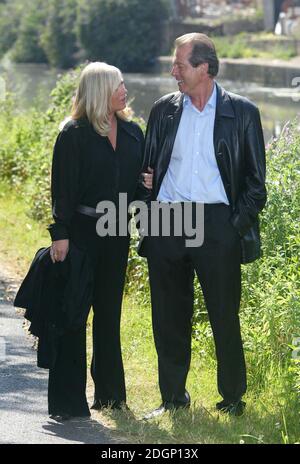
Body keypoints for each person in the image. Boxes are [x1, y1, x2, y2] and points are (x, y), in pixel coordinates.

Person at [140, 33, 267, 419]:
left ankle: (232, 399)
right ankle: (172, 398)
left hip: (217, 224)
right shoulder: (163, 110)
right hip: (166, 220)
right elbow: (146, 172)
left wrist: (232, 227)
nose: (173, 71)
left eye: (180, 64)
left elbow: (256, 185)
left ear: (204, 68)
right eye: (175, 64)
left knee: (224, 315)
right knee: (167, 315)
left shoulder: (242, 112)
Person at [48, 61, 152, 420]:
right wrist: (59, 234)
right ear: (100, 91)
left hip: (115, 233)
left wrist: (144, 187)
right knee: (74, 314)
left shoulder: (133, 132)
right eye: (118, 84)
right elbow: (62, 190)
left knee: (109, 315)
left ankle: (110, 397)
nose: (125, 90)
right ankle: (67, 403)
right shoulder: (72, 133)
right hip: (78, 233)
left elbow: (135, 188)